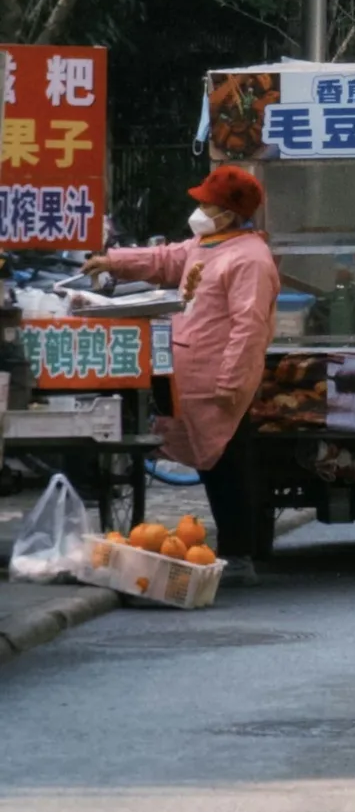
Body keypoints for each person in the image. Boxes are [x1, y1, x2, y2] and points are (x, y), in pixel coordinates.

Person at [92, 166, 281, 579]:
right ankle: (233, 550)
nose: (198, 209)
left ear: (229, 213)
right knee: (213, 465)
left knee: (230, 465)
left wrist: (231, 383)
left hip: (221, 380)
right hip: (189, 376)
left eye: (206, 204)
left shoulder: (250, 258)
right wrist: (112, 261)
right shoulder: (207, 244)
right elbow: (165, 259)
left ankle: (240, 554)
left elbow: (249, 328)